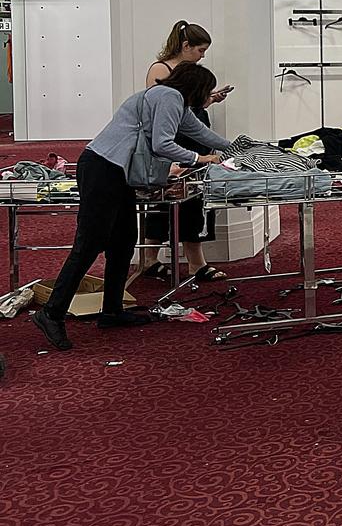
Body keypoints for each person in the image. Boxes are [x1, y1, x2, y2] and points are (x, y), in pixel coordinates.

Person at [31, 63, 231, 351]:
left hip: (117, 172)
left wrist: (238, 147)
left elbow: (202, 134)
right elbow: (163, 144)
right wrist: (201, 160)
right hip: (103, 167)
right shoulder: (168, 97)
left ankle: (112, 310)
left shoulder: (175, 101)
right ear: (196, 87)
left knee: (124, 241)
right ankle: (51, 313)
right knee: (89, 243)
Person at [139, 20, 233, 282]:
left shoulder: (189, 76)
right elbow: (161, 113)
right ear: (185, 45)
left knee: (195, 201)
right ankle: (150, 259)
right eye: (200, 49)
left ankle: (195, 263)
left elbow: (191, 114)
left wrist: (210, 99)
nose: (203, 55)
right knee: (163, 199)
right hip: (172, 142)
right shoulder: (161, 74)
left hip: (190, 137)